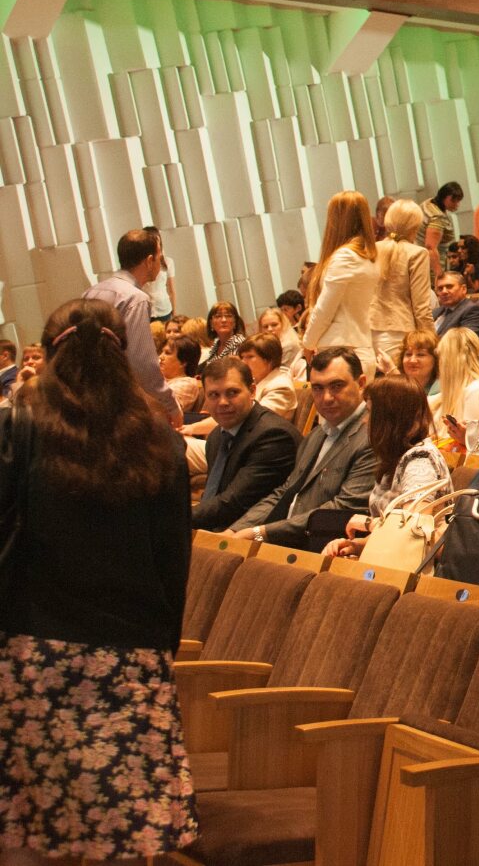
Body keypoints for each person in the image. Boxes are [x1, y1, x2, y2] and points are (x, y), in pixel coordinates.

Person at [0, 299, 198, 862]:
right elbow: (173, 561)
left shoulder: (17, 429)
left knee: (30, 831)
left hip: (32, 651)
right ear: (123, 356)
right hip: (130, 657)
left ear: (47, 355)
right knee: (126, 833)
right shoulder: (160, 441)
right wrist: (162, 648)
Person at [229, 348, 377, 547]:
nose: (326, 397)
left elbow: (343, 507)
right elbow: (284, 493)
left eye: (336, 386)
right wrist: (235, 530)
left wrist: (262, 533)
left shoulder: (372, 437)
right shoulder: (317, 434)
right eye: (318, 388)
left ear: (361, 384)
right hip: (285, 539)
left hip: (325, 548)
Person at [319, 378, 452, 560]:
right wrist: (356, 546)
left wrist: (368, 523)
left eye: (370, 412)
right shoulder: (397, 456)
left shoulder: (420, 461)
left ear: (390, 418)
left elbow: (413, 532)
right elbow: (391, 539)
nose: (365, 421)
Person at [192, 356, 300, 532]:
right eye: (214, 395)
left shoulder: (274, 436)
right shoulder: (216, 436)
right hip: (218, 530)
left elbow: (234, 504)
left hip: (252, 538)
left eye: (232, 393)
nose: (222, 402)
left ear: (252, 391)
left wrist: (178, 518)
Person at [81, 228, 176, 421]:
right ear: (149, 261)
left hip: (91, 395)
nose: (160, 263)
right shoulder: (135, 298)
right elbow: (142, 362)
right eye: (159, 257)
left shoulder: (91, 292)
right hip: (120, 401)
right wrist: (170, 405)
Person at [304, 191, 382, 371]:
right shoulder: (369, 255)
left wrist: (308, 343)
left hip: (340, 350)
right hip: (360, 345)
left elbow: (325, 308)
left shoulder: (345, 256)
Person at [371, 198, 435, 373]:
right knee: (401, 387)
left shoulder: (371, 249)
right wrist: (432, 342)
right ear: (415, 226)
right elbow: (421, 307)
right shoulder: (417, 253)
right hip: (399, 332)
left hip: (368, 332)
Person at [238, 333, 297, 419]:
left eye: (250, 357)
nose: (243, 362)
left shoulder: (280, 386)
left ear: (270, 360)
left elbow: (257, 419)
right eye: (242, 357)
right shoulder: (253, 382)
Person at [432, 269, 479, 341]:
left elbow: (467, 341)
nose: (444, 291)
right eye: (440, 288)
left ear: (464, 289)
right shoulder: (436, 312)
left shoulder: (472, 311)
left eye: (449, 286)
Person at [423, 182, 463, 278]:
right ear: (445, 198)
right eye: (454, 201)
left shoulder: (427, 203)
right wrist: (439, 274)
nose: (457, 205)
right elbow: (430, 248)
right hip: (431, 268)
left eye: (458, 201)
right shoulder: (437, 217)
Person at [397, 330, 438, 397]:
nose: (412, 360)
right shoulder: (394, 388)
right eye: (408, 354)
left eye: (420, 355)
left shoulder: (441, 390)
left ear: (435, 359)